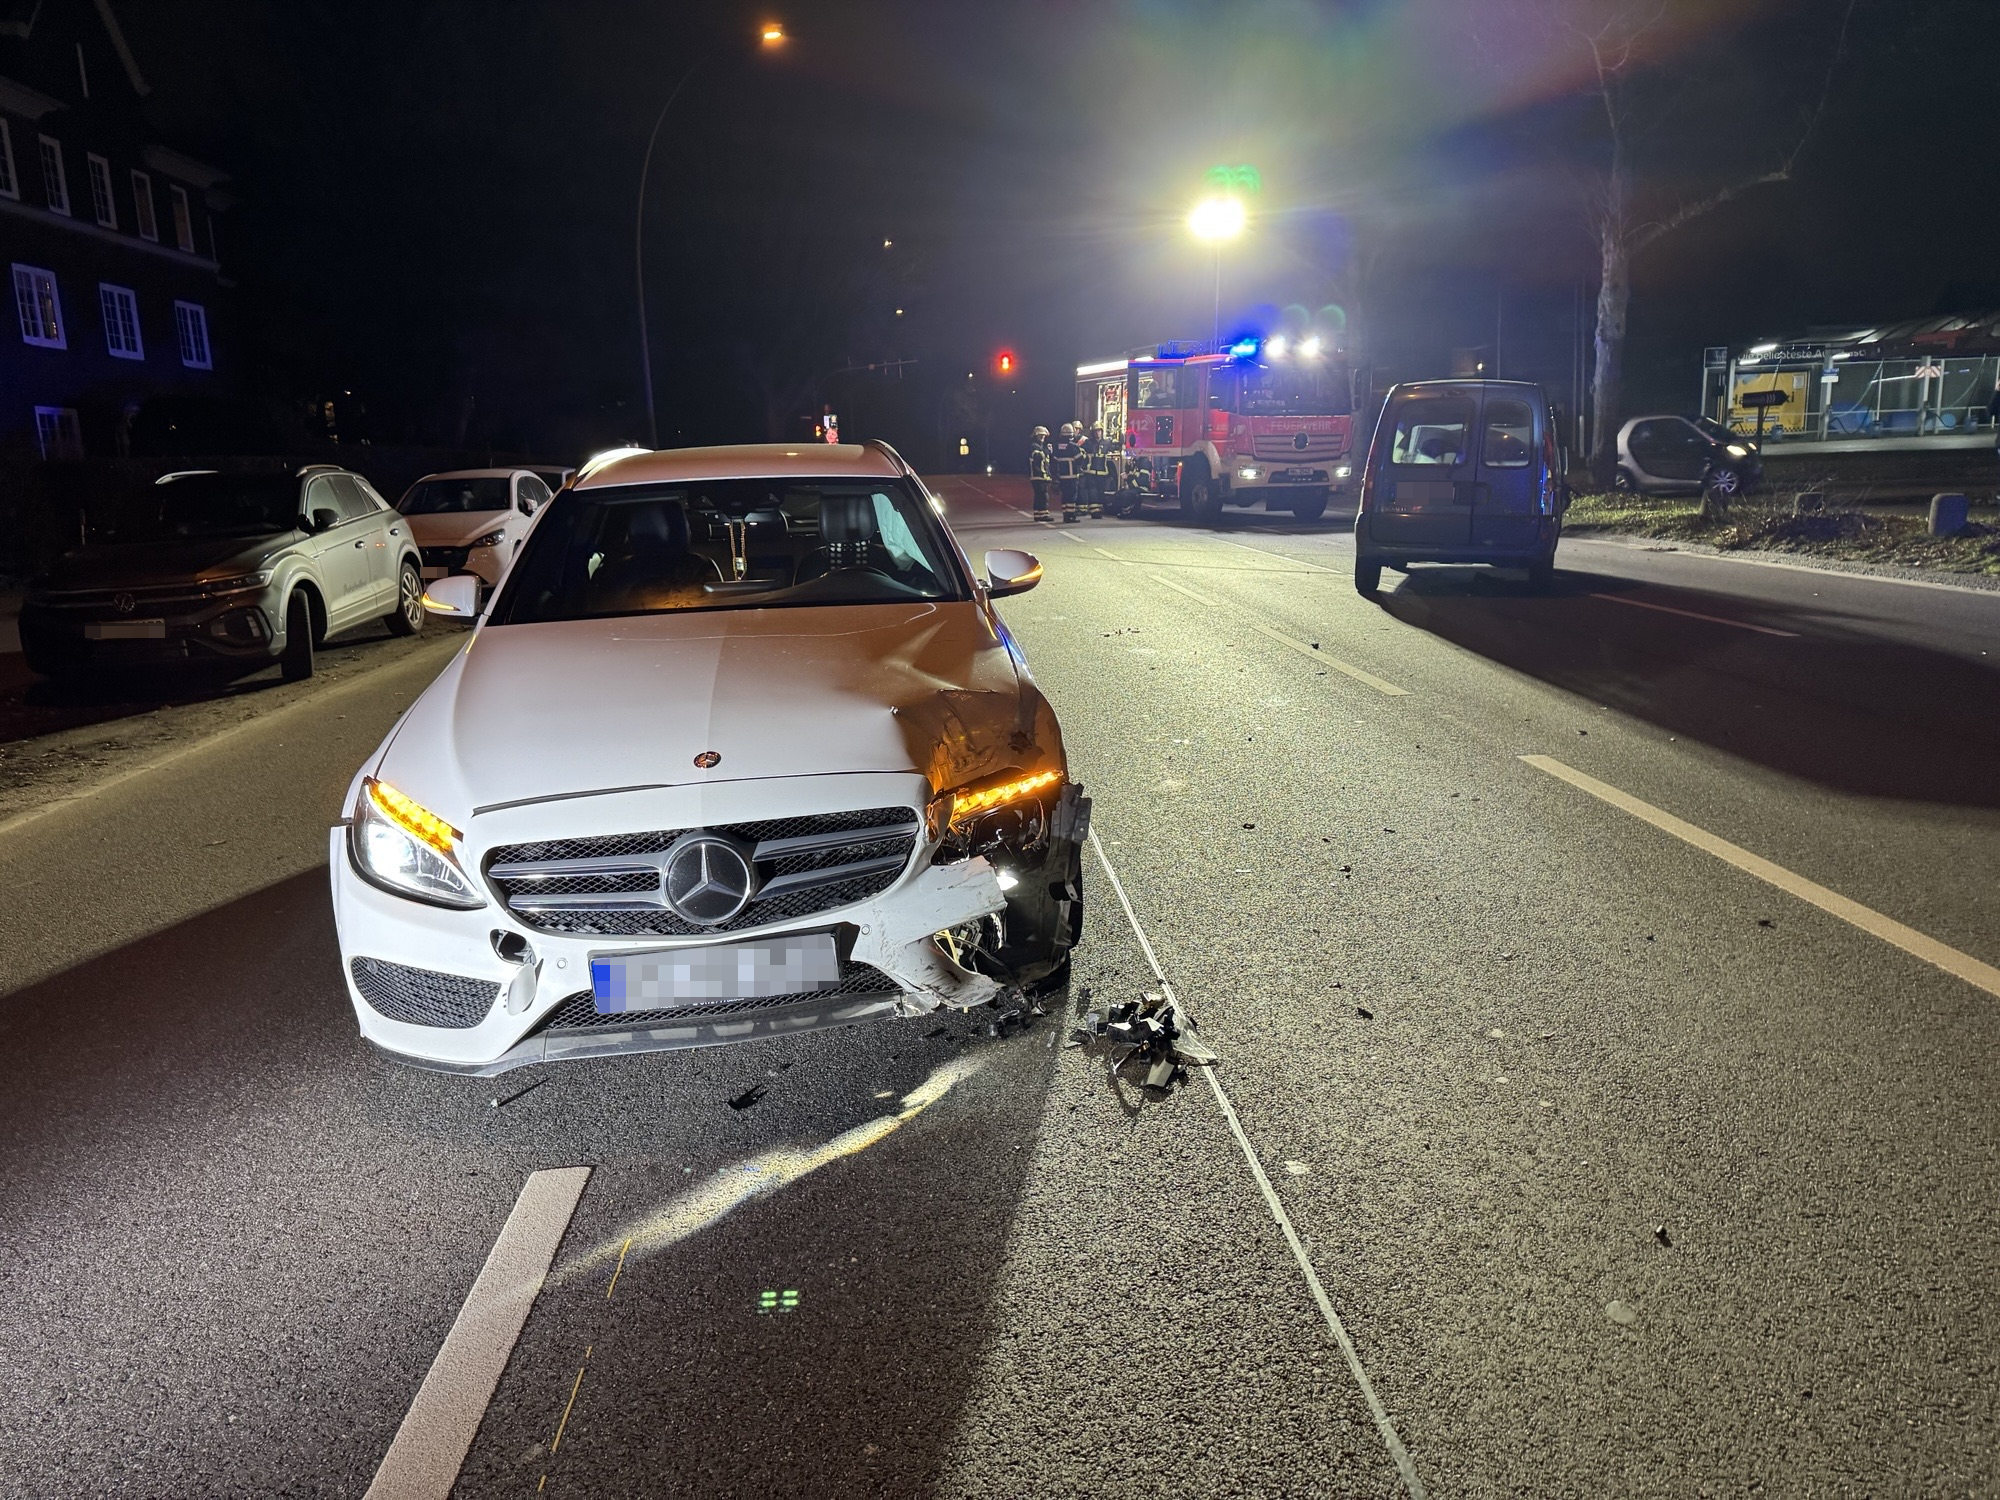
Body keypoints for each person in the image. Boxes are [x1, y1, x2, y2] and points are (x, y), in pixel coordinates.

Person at [1053, 422, 1083, 523]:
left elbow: (1054, 461)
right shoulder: (1073, 447)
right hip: (1072, 476)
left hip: (1061, 476)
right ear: (1071, 434)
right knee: (1071, 496)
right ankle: (1070, 516)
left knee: (1065, 496)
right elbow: (1080, 460)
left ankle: (1066, 515)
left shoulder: (1057, 446)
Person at [1028, 425, 1053, 521]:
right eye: (1040, 435)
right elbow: (1039, 457)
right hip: (1038, 476)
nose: (1042, 437)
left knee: (1040, 496)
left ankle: (1039, 515)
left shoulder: (1041, 447)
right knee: (1042, 496)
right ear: (1036, 436)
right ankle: (1043, 515)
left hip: (1042, 476)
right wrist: (1047, 451)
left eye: (1043, 436)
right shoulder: (1034, 446)